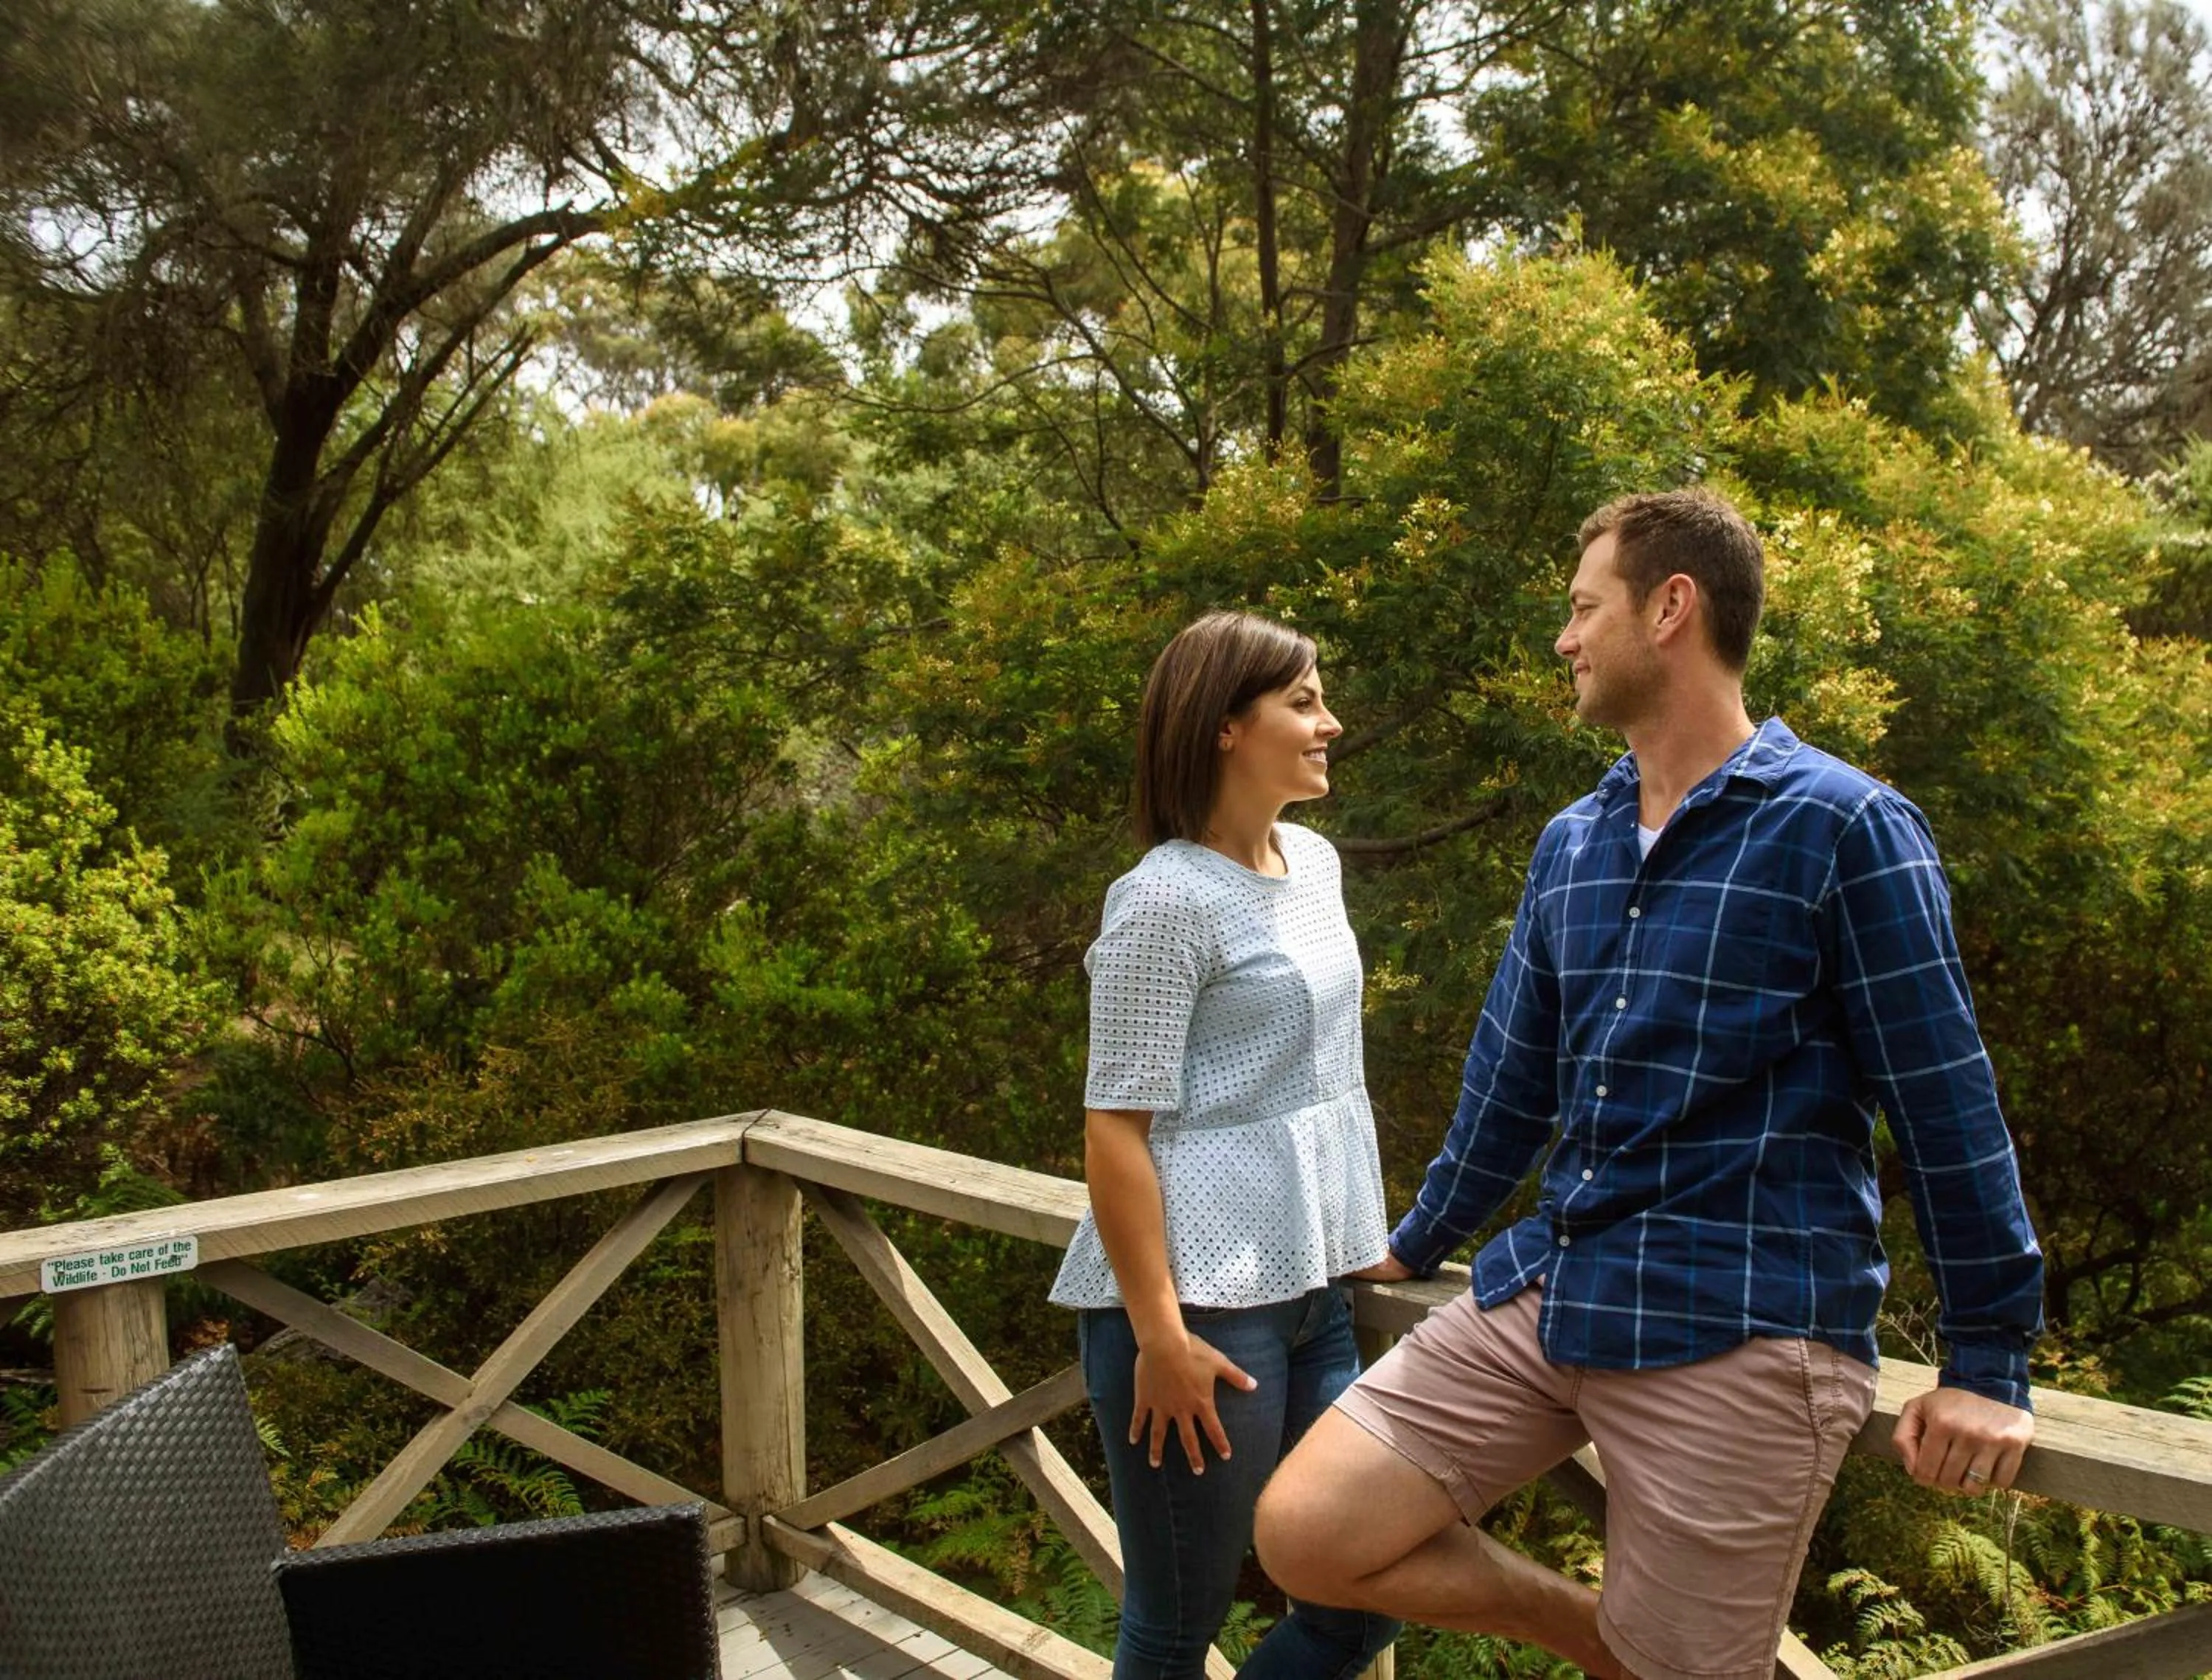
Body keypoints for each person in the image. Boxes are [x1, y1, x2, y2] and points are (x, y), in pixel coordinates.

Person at [1250, 489, 2045, 1680]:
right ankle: (1600, 1636)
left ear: (1671, 607)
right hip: (1556, 1289)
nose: (1565, 640)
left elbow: (1946, 1105)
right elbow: (1512, 1077)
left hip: (1743, 1326)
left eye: (1583, 608)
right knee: (1306, 1528)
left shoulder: (1846, 828)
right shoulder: (1577, 838)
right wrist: (1420, 1236)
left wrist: (1987, 1362)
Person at [1048, 610, 1402, 1680]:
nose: (1328, 721)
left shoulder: (1318, 864)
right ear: (1223, 727)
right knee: (1175, 1622)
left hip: (1316, 1297)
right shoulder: (1162, 897)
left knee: (1363, 1585)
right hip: (1194, 1318)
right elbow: (1115, 1123)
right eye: (1302, 701)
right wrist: (1158, 1333)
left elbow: (1324, 1080)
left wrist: (1373, 1237)